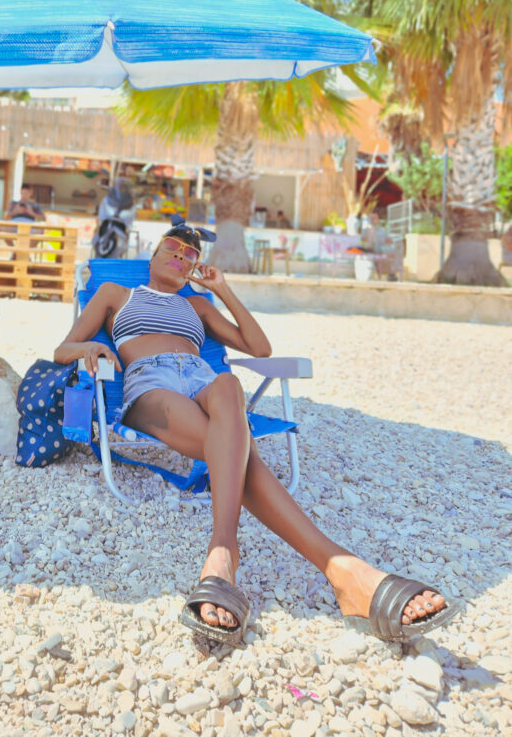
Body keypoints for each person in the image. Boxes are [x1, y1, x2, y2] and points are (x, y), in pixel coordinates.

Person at [54, 222, 461, 646]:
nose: (181, 256)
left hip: (203, 379)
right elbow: (62, 349)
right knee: (237, 451)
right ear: (152, 257)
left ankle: (224, 557)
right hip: (150, 386)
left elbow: (259, 348)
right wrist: (89, 349)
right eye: (172, 248)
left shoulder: (198, 307)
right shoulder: (116, 294)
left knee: (230, 384)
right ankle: (343, 571)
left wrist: (224, 290)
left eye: (190, 255)